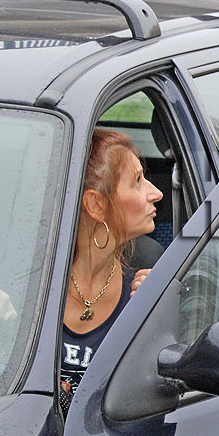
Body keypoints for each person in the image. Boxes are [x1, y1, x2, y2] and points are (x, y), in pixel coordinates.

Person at [60, 129, 163, 411]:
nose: (156, 193)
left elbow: (155, 398)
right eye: (137, 181)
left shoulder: (150, 274)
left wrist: (154, 321)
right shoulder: (32, 283)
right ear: (97, 204)